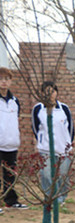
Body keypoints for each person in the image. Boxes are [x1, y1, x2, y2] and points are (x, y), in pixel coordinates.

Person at [32, 81, 74, 204]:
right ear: (42, 93)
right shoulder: (38, 109)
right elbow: (35, 127)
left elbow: (70, 128)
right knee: (46, 175)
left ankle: (61, 199)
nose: (50, 94)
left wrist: (69, 145)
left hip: (63, 149)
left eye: (53, 91)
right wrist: (40, 142)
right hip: (45, 149)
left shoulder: (64, 108)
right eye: (47, 91)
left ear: (57, 92)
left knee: (63, 175)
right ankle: (49, 198)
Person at [0, 67, 27, 212]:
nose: (3, 82)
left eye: (6, 79)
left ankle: (11, 201)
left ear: (10, 81)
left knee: (10, 175)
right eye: (1, 79)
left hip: (11, 143)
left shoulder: (15, 101)